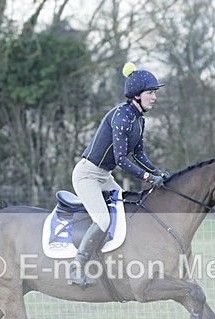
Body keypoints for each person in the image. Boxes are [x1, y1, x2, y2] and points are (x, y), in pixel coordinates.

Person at [68, 62, 169, 287]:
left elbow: (139, 154)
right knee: (103, 220)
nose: (154, 97)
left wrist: (158, 172)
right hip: (87, 175)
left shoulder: (139, 119)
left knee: (125, 212)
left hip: (104, 175)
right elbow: (122, 159)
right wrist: (148, 178)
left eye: (154, 93)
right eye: (151, 93)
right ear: (137, 95)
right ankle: (77, 267)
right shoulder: (122, 117)